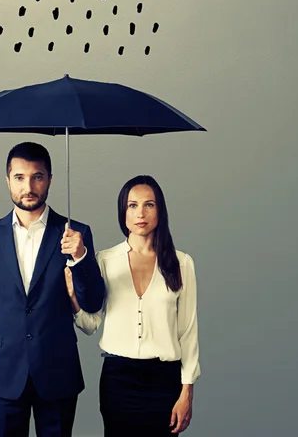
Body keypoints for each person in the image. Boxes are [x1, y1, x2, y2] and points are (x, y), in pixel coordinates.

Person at [0, 141, 105, 437]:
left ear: (50, 179)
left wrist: (80, 257)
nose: (29, 186)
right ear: (8, 181)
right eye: (19, 177)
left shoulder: (76, 234)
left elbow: (92, 303)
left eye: (37, 176)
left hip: (57, 371)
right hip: (3, 374)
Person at [64, 175, 200, 436]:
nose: (141, 213)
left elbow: (188, 332)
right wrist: (73, 299)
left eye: (149, 205)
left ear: (160, 210)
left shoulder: (181, 263)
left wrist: (187, 392)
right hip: (118, 379)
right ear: (122, 212)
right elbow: (91, 325)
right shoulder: (104, 260)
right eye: (132, 205)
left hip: (165, 381)